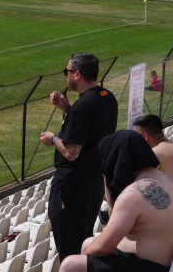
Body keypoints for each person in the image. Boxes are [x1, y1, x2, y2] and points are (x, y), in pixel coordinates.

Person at [55, 131, 173, 272]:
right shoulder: (164, 178)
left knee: (69, 266)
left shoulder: (133, 194)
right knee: (88, 243)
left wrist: (108, 178)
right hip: (166, 262)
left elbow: (103, 247)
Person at [41, 53, 119, 258]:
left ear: (77, 74)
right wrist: (67, 109)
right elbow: (91, 130)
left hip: (72, 185)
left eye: (67, 72)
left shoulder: (83, 107)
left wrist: (52, 138)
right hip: (93, 181)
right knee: (83, 235)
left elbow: (72, 152)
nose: (66, 76)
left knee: (69, 244)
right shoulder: (107, 97)